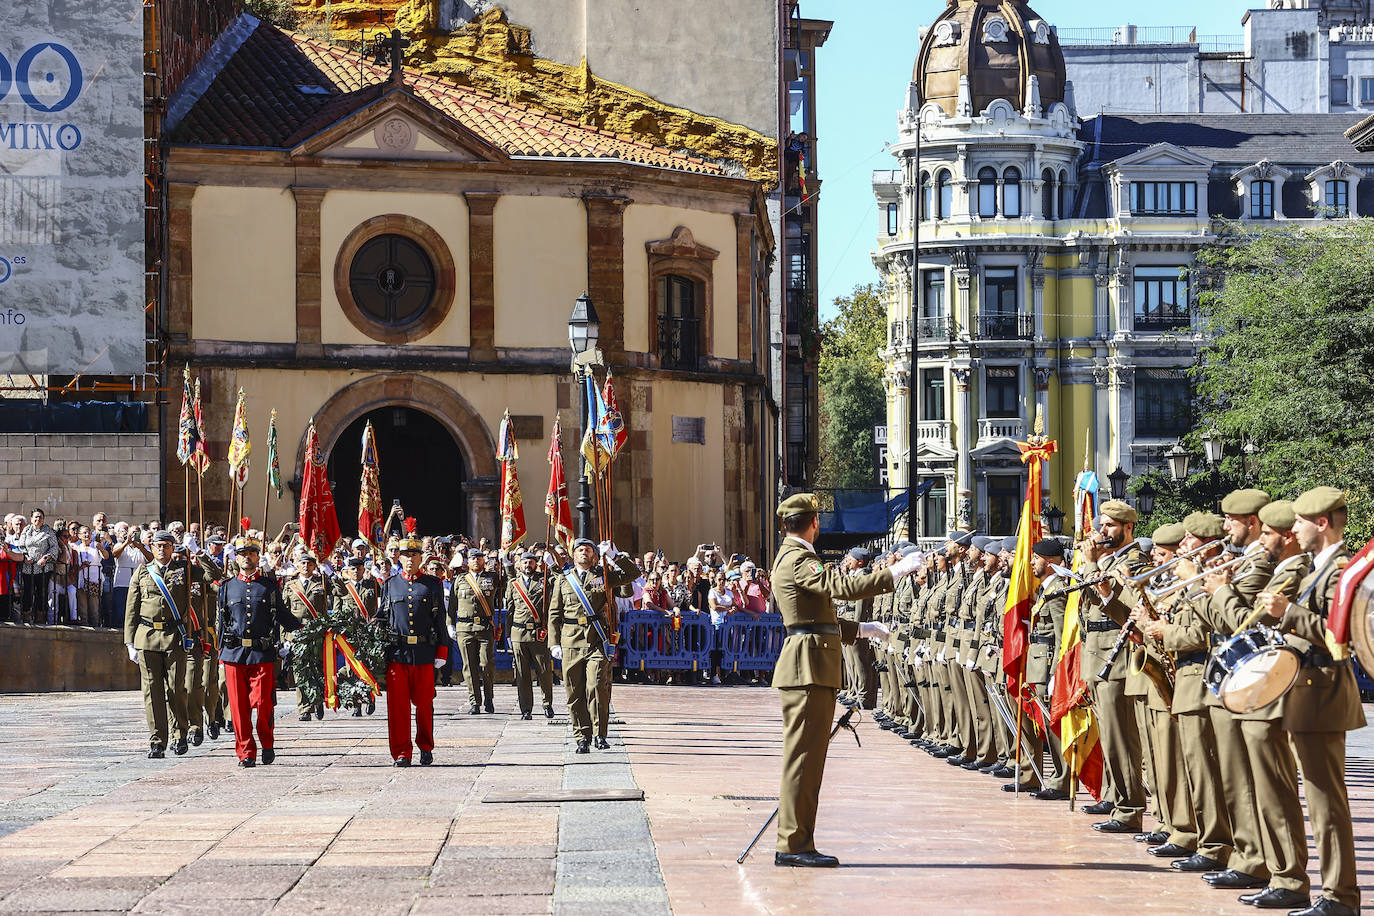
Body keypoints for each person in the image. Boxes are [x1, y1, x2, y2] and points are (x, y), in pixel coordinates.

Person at [769, 493, 918, 868]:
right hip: (807, 667)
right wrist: (894, 572)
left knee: (809, 759)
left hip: (812, 662)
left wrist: (862, 629)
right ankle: (792, 844)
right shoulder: (798, 558)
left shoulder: (793, 556)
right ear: (814, 523)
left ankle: (799, 840)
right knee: (803, 760)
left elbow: (814, 616)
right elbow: (838, 588)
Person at [1257, 486, 1365, 916]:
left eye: (1300, 522)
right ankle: (1331, 894)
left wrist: (1288, 612)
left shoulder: (1341, 571)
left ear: (1321, 523)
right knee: (1319, 802)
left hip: (1323, 690)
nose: (1293, 530)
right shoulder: (1315, 568)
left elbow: (1342, 635)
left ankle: (1340, 898)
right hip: (1305, 691)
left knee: (1327, 804)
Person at [547, 538, 638, 753]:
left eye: (588, 549)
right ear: (573, 554)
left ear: (594, 554)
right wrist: (554, 643)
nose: (583, 553)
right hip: (570, 640)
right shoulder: (563, 580)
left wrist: (615, 557)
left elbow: (632, 575)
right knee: (574, 690)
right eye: (579, 550)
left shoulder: (603, 575)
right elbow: (554, 613)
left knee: (597, 687)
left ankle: (600, 734)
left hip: (597, 639)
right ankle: (581, 736)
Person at [218, 528, 299, 767]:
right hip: (234, 653)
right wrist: (219, 653)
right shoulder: (227, 587)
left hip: (262, 653)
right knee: (239, 709)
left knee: (263, 704)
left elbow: (283, 615)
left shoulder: (268, 586)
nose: (247, 557)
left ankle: (267, 741)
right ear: (236, 557)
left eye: (251, 553)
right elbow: (221, 622)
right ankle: (246, 752)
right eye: (242, 553)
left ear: (257, 556)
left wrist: (305, 628)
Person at [377, 520, 448, 766]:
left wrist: (442, 649)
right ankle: (401, 752)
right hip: (397, 653)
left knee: (425, 704)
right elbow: (382, 618)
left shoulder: (431, 585)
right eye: (405, 554)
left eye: (414, 554)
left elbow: (440, 619)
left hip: (424, 652)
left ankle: (425, 746)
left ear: (421, 558)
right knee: (397, 709)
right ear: (399, 557)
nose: (409, 559)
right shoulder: (390, 585)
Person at [124, 530, 200, 758]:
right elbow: (131, 608)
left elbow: (212, 575)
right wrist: (129, 641)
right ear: (152, 547)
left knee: (175, 689)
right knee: (152, 692)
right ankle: (157, 740)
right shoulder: (142, 572)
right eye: (157, 545)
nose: (161, 550)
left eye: (167, 545)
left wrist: (198, 551)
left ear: (173, 547)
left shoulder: (184, 570)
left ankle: (180, 734)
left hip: (174, 636)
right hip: (146, 636)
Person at [505, 549, 555, 720]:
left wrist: (553, 564)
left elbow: (559, 582)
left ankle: (547, 704)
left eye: (531, 562)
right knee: (522, 673)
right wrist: (508, 635)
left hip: (538, 633)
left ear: (536, 564)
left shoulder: (544, 581)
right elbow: (510, 611)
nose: (528, 565)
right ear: (519, 565)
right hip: (518, 633)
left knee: (544, 672)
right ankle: (526, 708)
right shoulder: (513, 584)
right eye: (525, 562)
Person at [451, 547, 498, 714]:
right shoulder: (460, 580)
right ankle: (474, 702)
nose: (476, 561)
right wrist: (450, 624)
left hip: (484, 627)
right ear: (468, 562)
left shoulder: (492, 577)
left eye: (479, 558)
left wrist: (505, 561)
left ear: (483, 561)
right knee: (469, 667)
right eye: (472, 559)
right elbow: (452, 605)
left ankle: (489, 698)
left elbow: (510, 581)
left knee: (486, 665)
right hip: (465, 628)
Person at [17, 508, 58, 626]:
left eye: (40, 517)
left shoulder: (48, 530)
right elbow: (21, 545)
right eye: (35, 517)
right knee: (28, 593)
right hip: (28, 567)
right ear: (31, 519)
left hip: (43, 568)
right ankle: (26, 616)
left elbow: (54, 547)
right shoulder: (26, 530)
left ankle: (40, 617)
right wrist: (25, 556)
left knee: (42, 593)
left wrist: (45, 557)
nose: (38, 519)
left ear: (43, 519)